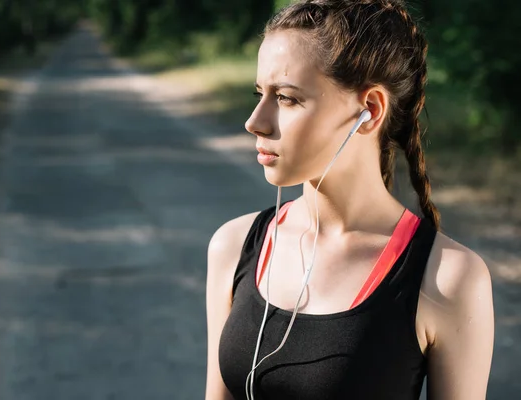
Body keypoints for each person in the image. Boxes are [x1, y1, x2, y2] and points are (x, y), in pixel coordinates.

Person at [205, 1, 494, 399]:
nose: (255, 121)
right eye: (260, 93)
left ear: (370, 110)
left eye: (286, 98)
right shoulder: (234, 246)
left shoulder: (448, 278)